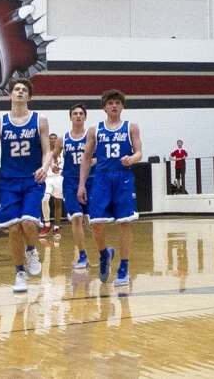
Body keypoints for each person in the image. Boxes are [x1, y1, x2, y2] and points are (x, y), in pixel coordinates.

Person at [0, 77, 51, 295]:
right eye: (16, 89)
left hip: (33, 179)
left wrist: (45, 167)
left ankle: (32, 250)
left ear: (29, 96)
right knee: (13, 228)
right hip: (8, 182)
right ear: (10, 95)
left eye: (24, 90)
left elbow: (48, 150)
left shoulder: (39, 120)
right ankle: (19, 273)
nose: (20, 92)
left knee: (28, 223)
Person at [78, 89, 143, 286]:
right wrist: (81, 184)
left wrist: (132, 158)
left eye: (117, 103)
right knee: (96, 224)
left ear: (122, 106)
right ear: (104, 107)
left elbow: (139, 152)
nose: (114, 105)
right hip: (101, 179)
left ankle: (124, 266)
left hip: (123, 178)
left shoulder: (131, 127)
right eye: (110, 103)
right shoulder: (94, 130)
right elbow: (87, 158)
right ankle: (104, 254)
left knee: (124, 222)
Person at [62, 103, 92, 270]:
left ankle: (103, 253)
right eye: (75, 113)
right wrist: (50, 164)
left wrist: (90, 161)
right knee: (76, 217)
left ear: (85, 117)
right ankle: (82, 255)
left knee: (94, 221)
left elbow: (101, 158)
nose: (78, 116)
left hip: (90, 180)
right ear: (71, 117)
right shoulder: (63, 138)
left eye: (81, 113)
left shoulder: (91, 136)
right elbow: (52, 154)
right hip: (70, 182)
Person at [40, 132, 64, 237]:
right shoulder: (45, 152)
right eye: (51, 138)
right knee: (44, 200)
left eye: (55, 138)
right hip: (47, 178)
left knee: (58, 203)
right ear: (48, 140)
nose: (53, 140)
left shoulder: (63, 151)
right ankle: (47, 224)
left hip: (59, 178)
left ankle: (56, 227)